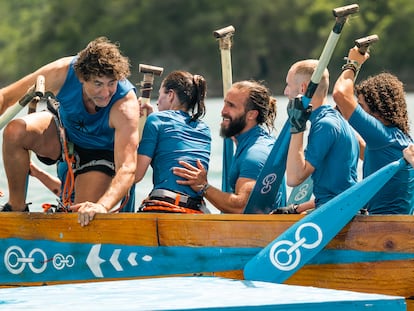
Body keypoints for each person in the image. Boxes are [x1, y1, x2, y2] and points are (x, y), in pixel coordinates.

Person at [0, 37, 139, 226]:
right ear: (81, 78)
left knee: (82, 217)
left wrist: (102, 206)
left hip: (101, 154)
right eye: (98, 84)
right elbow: (6, 97)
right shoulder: (62, 72)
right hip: (64, 135)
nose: (106, 92)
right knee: (14, 131)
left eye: (112, 83)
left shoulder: (125, 106)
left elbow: (128, 168)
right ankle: (16, 208)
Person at [173, 80, 286, 214]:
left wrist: (203, 187)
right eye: (225, 103)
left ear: (251, 114)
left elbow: (242, 206)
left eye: (231, 106)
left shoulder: (255, 154)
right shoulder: (251, 141)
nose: (223, 111)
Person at [332, 46, 414, 214]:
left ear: (377, 110)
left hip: (385, 231)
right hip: (397, 227)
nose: (359, 110)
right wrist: (334, 117)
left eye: (361, 106)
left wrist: (352, 63)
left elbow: (340, 94)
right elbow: (365, 150)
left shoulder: (383, 137)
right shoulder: (397, 138)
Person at [273, 59, 359, 214]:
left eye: (288, 85)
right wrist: (297, 208)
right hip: (335, 206)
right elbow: (334, 190)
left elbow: (294, 178)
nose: (285, 91)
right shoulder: (334, 119)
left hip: (338, 214)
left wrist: (297, 128)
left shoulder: (325, 125)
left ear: (303, 88)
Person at [134, 70, 211, 213]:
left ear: (170, 95)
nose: (157, 101)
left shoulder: (156, 121)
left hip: (166, 206)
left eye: (160, 94)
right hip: (196, 209)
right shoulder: (204, 129)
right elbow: (172, 148)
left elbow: (136, 175)